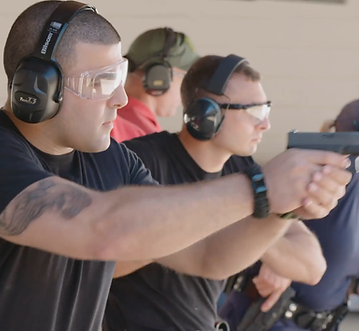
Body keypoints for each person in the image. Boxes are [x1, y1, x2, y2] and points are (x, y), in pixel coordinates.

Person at [0, 1, 351, 330]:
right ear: (37, 87)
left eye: (118, 78)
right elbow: (101, 229)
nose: (121, 99)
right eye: (100, 82)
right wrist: (259, 187)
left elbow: (207, 255)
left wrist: (279, 208)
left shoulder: (111, 158)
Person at [103, 54, 334, 331]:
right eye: (254, 112)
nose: (265, 125)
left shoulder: (243, 169)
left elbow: (312, 268)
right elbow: (101, 264)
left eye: (266, 110)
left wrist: (252, 227)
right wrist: (228, 215)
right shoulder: (140, 161)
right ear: (205, 114)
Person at [219, 99, 359, 331]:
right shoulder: (319, 171)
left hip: (322, 321)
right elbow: (262, 211)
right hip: (271, 316)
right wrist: (276, 253)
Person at [111, 27, 199, 142]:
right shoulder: (142, 137)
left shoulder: (115, 122)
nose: (188, 90)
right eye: (184, 78)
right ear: (159, 76)